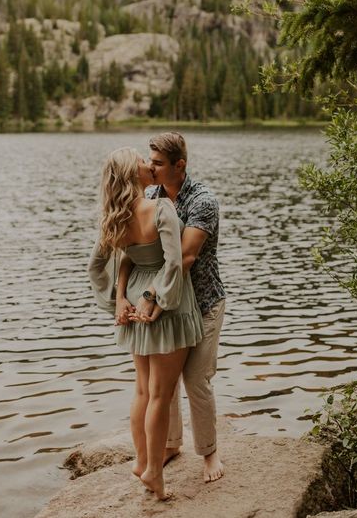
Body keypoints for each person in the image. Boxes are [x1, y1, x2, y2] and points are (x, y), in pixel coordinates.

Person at [88, 147, 203, 501]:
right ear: (132, 173)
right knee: (160, 394)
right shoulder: (160, 207)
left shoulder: (115, 216)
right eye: (141, 160)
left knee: (142, 390)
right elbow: (172, 262)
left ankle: (142, 462)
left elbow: (98, 266)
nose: (147, 164)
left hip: (134, 301)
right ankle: (153, 471)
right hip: (162, 304)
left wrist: (116, 302)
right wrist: (159, 300)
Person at [117, 132, 226, 483]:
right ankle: (170, 445)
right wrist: (126, 297)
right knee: (163, 383)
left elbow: (187, 256)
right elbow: (133, 253)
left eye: (158, 163)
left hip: (203, 301)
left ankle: (208, 453)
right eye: (149, 161)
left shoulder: (202, 200)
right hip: (169, 307)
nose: (150, 167)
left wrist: (151, 298)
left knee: (195, 379)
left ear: (180, 165)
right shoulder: (150, 195)